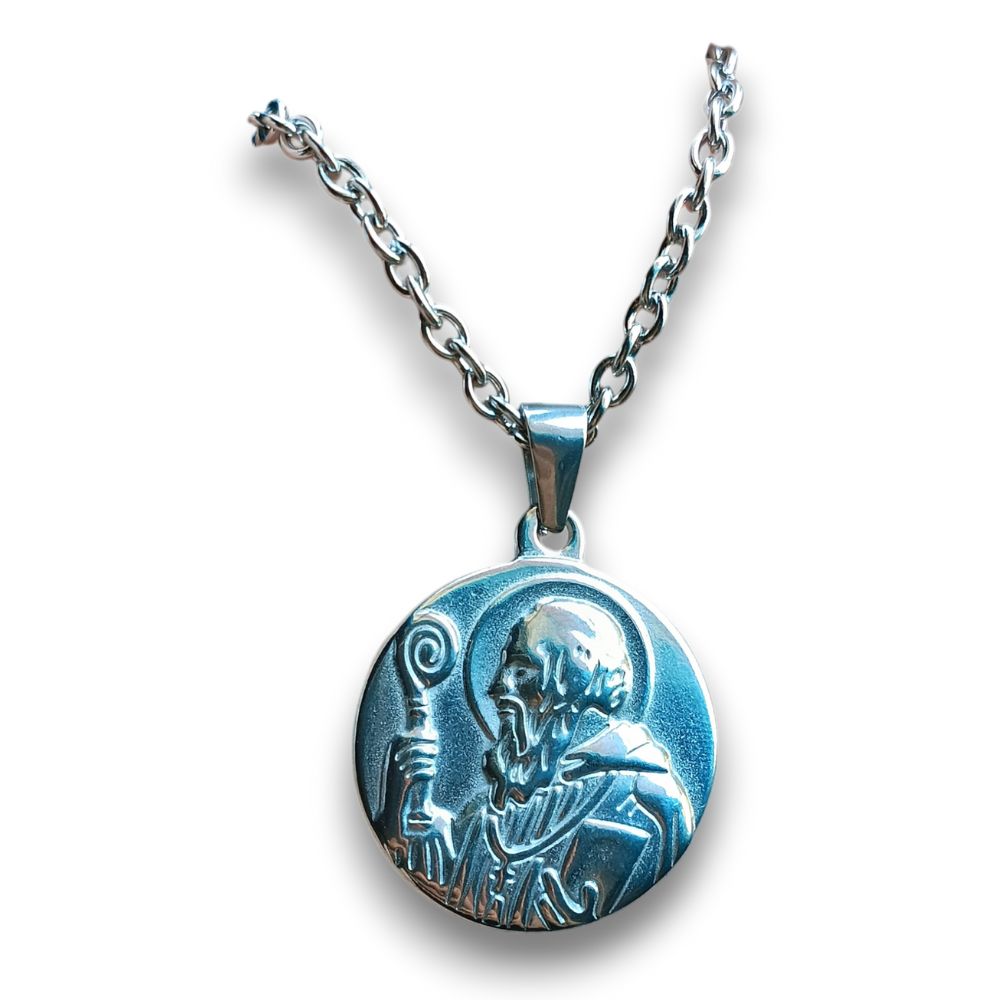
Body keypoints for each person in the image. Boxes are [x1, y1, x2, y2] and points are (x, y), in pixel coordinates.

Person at [375, 598, 694, 929]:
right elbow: (437, 879)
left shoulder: (650, 806)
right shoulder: (495, 811)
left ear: (574, 679)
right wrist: (405, 791)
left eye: (521, 670)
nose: (496, 687)